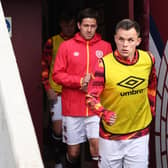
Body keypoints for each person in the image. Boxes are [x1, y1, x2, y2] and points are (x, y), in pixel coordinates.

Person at [86, 18, 157, 168]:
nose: (125, 45)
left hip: (139, 134)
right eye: (121, 39)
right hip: (111, 137)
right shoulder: (103, 64)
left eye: (130, 40)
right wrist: (104, 113)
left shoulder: (148, 59)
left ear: (138, 41)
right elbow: (91, 97)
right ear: (115, 39)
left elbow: (151, 85)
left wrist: (151, 109)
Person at [52, 8, 112, 168]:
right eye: (86, 25)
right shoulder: (66, 47)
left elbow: (111, 75)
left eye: (93, 26)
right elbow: (57, 75)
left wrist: (96, 86)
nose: (89, 29)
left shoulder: (105, 47)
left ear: (97, 26)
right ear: (79, 25)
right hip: (72, 108)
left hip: (95, 108)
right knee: (74, 152)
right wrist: (79, 81)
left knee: (97, 148)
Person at [41, 10, 76, 168]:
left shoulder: (80, 42)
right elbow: (44, 66)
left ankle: (67, 162)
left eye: (72, 25)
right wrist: (47, 88)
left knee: (73, 130)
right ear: (61, 24)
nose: (69, 28)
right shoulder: (52, 42)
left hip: (75, 92)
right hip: (57, 91)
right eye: (66, 25)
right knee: (57, 130)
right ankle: (56, 158)